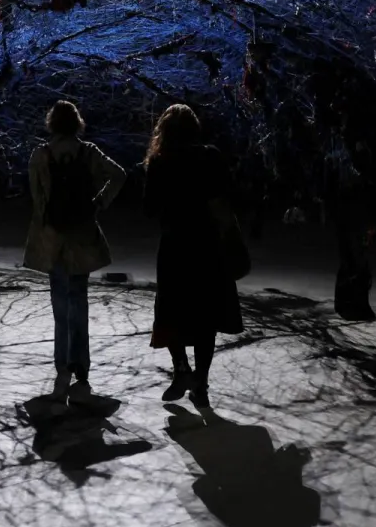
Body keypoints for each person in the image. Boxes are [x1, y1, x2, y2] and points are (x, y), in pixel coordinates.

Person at [24, 100, 127, 402]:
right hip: (82, 235)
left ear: (51, 123)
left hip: (53, 237)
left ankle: (62, 365)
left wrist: (46, 219)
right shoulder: (89, 153)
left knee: (60, 306)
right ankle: (82, 366)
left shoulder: (40, 155)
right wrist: (97, 203)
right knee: (79, 302)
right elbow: (119, 174)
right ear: (77, 122)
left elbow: (37, 198)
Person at [144, 104, 243, 407]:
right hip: (207, 246)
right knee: (205, 317)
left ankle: (181, 369)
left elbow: (149, 208)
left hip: (175, 246)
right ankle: (201, 379)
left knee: (172, 310)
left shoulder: (160, 162)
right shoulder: (210, 157)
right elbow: (226, 198)